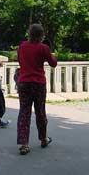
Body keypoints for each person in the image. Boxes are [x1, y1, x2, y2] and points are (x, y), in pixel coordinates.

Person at [16, 24, 57, 155]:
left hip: (24, 83)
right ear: (41, 36)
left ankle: (24, 144)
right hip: (38, 84)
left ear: (29, 34)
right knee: (40, 112)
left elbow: (20, 61)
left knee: (24, 112)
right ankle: (43, 139)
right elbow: (53, 63)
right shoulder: (43, 48)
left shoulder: (22, 46)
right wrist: (51, 54)